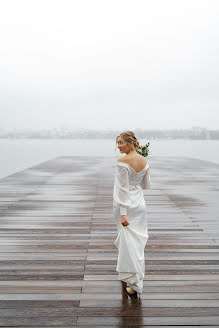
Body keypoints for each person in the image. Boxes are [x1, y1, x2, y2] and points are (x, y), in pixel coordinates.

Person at [113, 131, 151, 299]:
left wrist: (123, 213)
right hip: (140, 204)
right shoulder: (144, 160)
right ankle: (134, 280)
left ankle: (133, 283)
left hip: (126, 207)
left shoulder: (122, 161)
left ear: (130, 143)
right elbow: (146, 185)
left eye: (121, 142)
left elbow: (122, 190)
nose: (118, 146)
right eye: (117, 143)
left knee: (128, 244)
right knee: (137, 244)